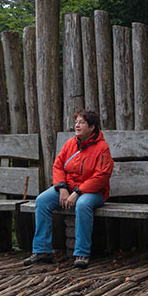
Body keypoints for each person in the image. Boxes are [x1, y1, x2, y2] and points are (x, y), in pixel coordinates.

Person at [23, 109, 113, 269]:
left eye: (82, 122)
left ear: (92, 127)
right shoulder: (71, 143)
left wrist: (78, 192)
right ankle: (42, 250)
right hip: (68, 188)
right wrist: (62, 188)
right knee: (42, 201)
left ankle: (82, 254)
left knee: (83, 204)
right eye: (76, 122)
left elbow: (102, 176)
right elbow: (58, 166)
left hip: (93, 193)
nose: (77, 125)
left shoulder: (102, 148)